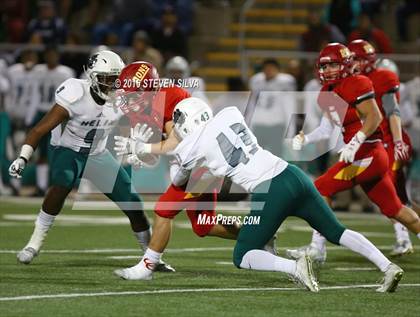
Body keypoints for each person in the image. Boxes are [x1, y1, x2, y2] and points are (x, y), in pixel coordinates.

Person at [113, 97, 404, 293]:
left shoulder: (191, 148)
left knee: (242, 255)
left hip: (270, 190)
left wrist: (144, 153)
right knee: (336, 231)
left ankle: (295, 267)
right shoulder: (230, 113)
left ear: (186, 122)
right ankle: (387, 267)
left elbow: (180, 180)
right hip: (293, 175)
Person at [8, 51, 171, 272]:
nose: (113, 84)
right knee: (62, 184)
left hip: (98, 154)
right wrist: (22, 157)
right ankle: (34, 242)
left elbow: (145, 118)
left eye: (116, 79)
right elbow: (39, 129)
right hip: (68, 150)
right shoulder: (75, 94)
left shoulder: (122, 97)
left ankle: (152, 259)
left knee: (132, 202)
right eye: (107, 79)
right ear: (93, 77)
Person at [111, 62, 273, 266]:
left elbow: (174, 143)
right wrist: (138, 155)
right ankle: (261, 236)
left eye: (132, 93)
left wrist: (142, 148)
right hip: (188, 164)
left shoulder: (171, 96)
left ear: (147, 89)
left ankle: (148, 265)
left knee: (163, 210)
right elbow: (154, 156)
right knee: (204, 226)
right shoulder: (139, 108)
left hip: (202, 163)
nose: (127, 99)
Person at [286, 43, 420, 263]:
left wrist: (354, 143)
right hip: (361, 155)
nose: (327, 71)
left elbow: (375, 117)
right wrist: (306, 138)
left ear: (346, 65)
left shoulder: (358, 83)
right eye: (324, 66)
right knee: (395, 208)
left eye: (332, 66)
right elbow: (327, 128)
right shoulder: (326, 93)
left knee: (319, 188)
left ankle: (317, 249)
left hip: (369, 153)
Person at [348, 39, 417, 255]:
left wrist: (397, 142)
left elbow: (392, 111)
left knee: (393, 197)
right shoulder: (353, 80)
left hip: (390, 143)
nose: (350, 63)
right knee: (398, 198)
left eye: (355, 59)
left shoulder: (383, 77)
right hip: (371, 145)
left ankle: (403, 239)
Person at [25, 45, 75, 196]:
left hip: (59, 113)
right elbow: (34, 94)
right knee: (41, 152)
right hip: (41, 112)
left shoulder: (66, 72)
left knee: (60, 151)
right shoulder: (38, 71)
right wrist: (30, 117)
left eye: (53, 54)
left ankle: (60, 186)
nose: (50, 58)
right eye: (48, 55)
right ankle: (41, 187)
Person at [247, 58, 297, 156]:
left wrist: (290, 130)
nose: (269, 71)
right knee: (256, 155)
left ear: (277, 70)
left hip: (276, 126)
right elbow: (252, 104)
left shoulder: (285, 82)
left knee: (276, 155)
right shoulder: (256, 81)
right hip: (259, 125)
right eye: (266, 69)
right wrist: (249, 123)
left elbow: (289, 107)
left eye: (271, 69)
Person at [6, 49, 39, 195]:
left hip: (29, 119)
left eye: (32, 56)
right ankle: (14, 184)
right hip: (12, 116)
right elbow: (9, 94)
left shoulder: (39, 73)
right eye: (27, 56)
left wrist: (29, 120)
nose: (30, 59)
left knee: (24, 153)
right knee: (11, 152)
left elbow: (35, 98)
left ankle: (18, 183)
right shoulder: (13, 71)